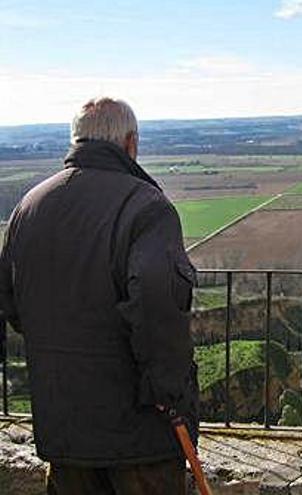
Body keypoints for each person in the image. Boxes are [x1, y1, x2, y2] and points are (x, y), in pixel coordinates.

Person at [0, 97, 198, 494]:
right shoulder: (147, 207)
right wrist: (169, 393)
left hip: (63, 425)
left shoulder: (28, 208)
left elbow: (12, 305)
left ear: (76, 140)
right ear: (130, 143)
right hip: (137, 432)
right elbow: (157, 306)